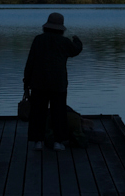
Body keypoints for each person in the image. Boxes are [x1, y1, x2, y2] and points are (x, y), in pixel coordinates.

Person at [22, 11, 84, 150]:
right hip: (59, 83)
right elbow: (76, 50)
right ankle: (59, 142)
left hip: (38, 82)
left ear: (46, 26)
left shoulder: (38, 40)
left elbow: (30, 61)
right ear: (61, 28)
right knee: (59, 112)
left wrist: (26, 81)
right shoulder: (64, 42)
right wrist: (77, 40)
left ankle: (38, 141)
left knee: (38, 112)